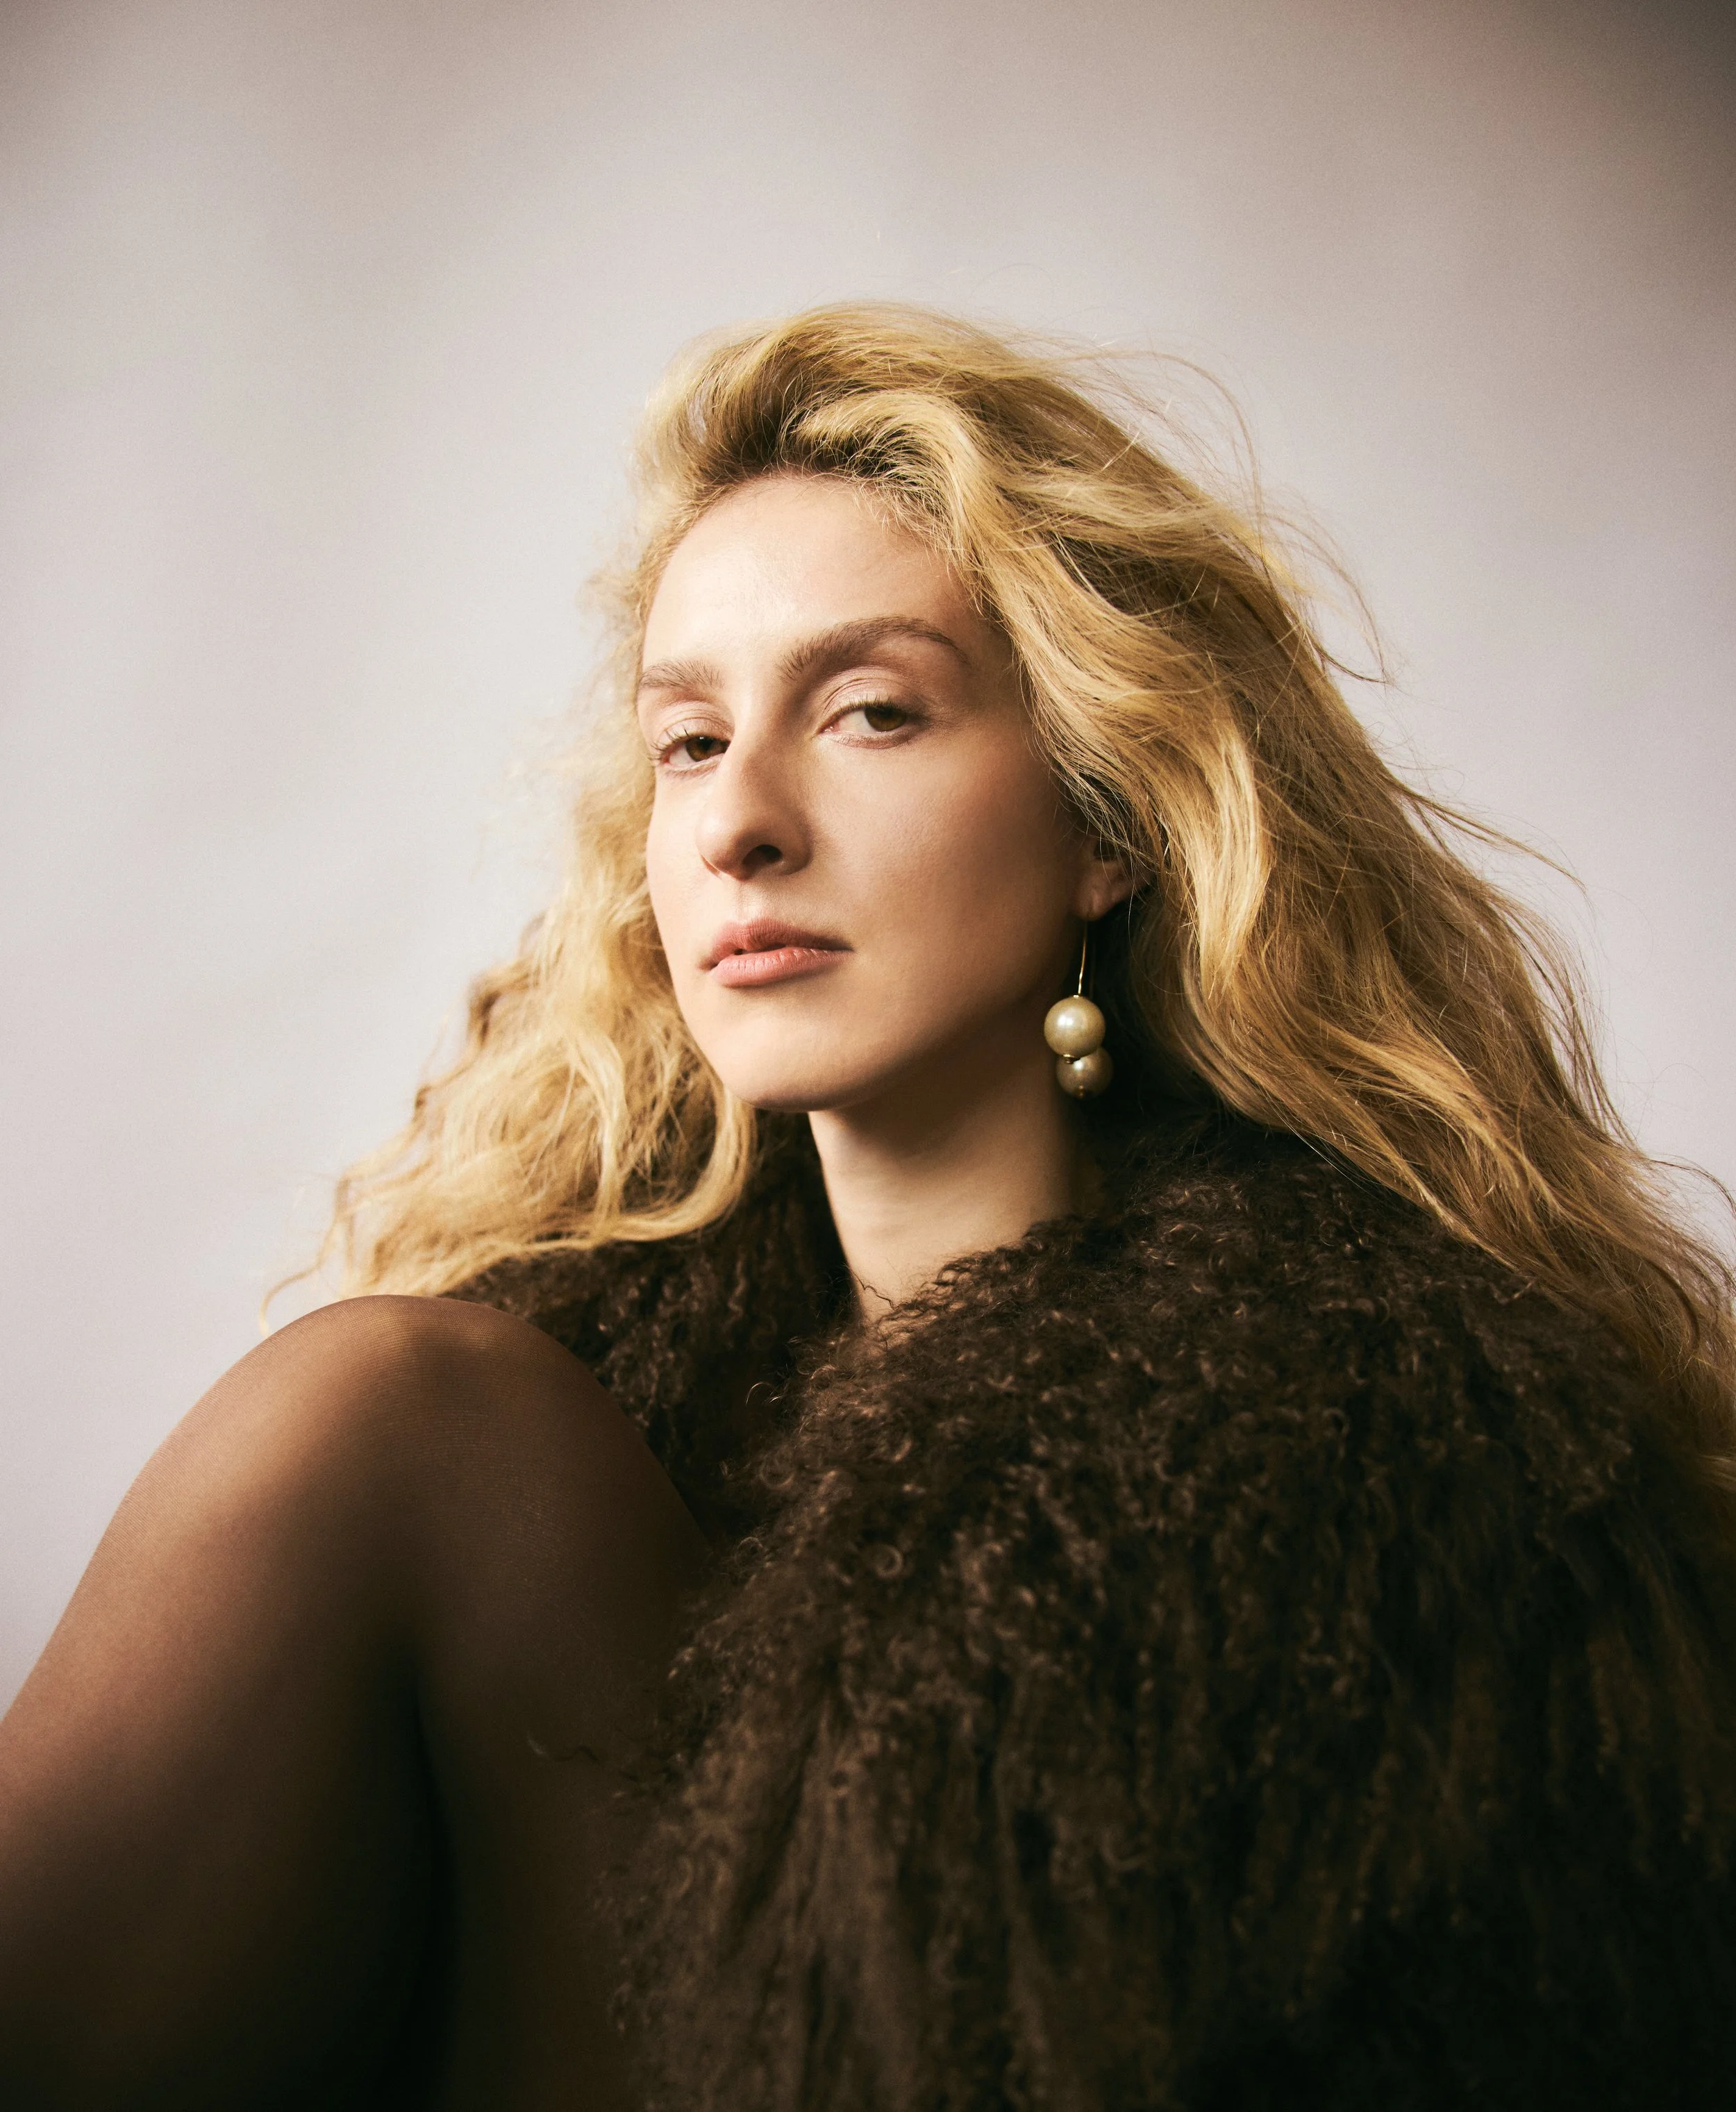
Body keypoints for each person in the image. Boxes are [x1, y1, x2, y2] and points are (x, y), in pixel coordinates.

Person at [2, 303, 1734, 2111]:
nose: (738, 823)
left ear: (1105, 819)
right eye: (688, 741)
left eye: (869, 713)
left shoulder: (1374, 1482)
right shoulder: (564, 1445)